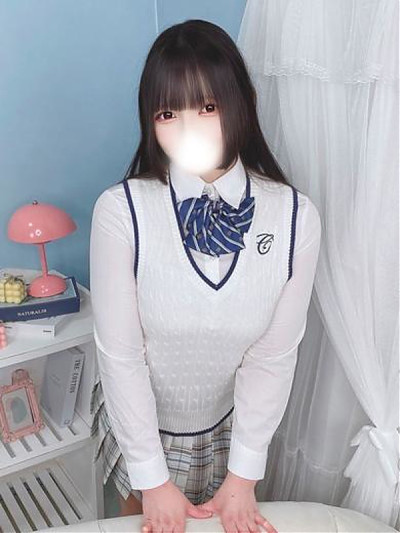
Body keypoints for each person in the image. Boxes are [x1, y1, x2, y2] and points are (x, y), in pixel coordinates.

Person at [89, 19, 321, 533]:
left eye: (208, 107)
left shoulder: (295, 218)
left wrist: (243, 477)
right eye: (168, 113)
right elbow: (122, 356)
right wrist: (152, 480)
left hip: (231, 427)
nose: (188, 129)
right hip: (140, 422)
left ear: (244, 103)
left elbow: (272, 356)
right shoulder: (120, 211)